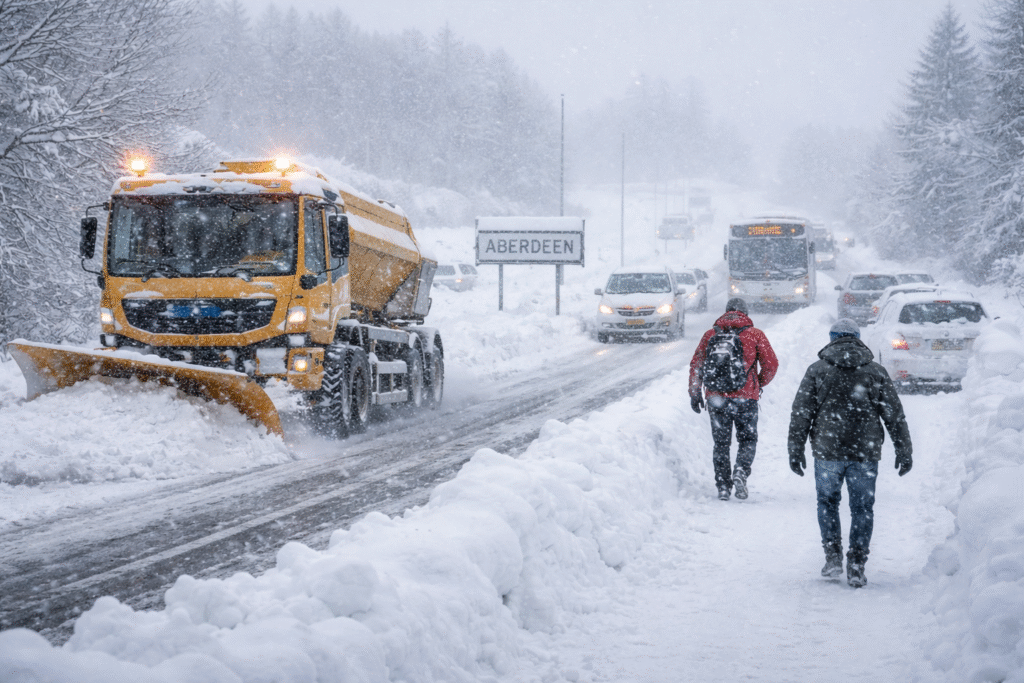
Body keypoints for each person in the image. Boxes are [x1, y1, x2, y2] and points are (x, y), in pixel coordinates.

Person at [787, 318, 913, 588]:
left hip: (828, 450)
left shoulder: (817, 370)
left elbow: (801, 414)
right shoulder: (875, 371)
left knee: (827, 503)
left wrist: (795, 449)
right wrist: (903, 449)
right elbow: (894, 415)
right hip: (864, 452)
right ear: (857, 338)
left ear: (832, 338)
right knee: (862, 508)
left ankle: (833, 558)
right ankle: (856, 564)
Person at [689, 298, 778, 501]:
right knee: (747, 439)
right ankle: (740, 471)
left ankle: (722, 486)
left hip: (716, 397)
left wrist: (695, 391)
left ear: (726, 312)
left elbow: (697, 364)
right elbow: (771, 365)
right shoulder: (755, 335)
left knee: (721, 444)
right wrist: (757, 384)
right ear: (745, 313)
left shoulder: (710, 334)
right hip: (746, 398)